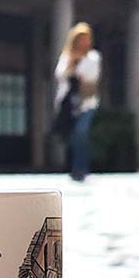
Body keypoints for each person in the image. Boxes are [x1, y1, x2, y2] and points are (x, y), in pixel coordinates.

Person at [54, 22, 101, 182]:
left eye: (87, 38)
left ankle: (82, 168)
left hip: (87, 102)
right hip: (69, 103)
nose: (85, 42)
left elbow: (91, 77)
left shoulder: (93, 57)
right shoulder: (67, 56)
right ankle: (75, 169)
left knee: (82, 132)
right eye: (82, 38)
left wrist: (77, 70)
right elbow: (59, 74)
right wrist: (71, 63)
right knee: (73, 136)